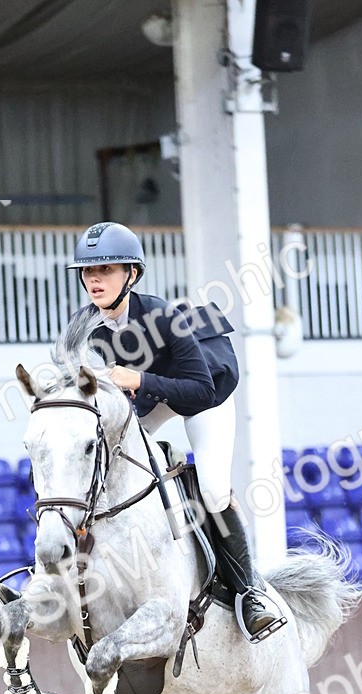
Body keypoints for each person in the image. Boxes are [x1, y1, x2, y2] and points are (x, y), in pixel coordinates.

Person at [66, 220, 285, 642]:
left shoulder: (165, 318)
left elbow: (199, 389)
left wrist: (138, 381)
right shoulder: (83, 327)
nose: (95, 279)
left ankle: (249, 592)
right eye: (89, 271)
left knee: (215, 489)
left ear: (132, 274)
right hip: (146, 401)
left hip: (204, 396)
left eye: (106, 270)